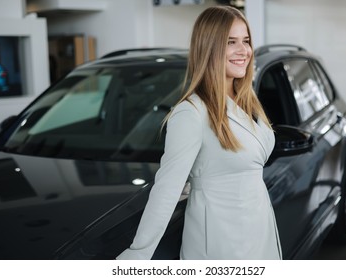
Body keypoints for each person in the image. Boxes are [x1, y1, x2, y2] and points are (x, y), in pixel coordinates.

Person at [116, 5, 282, 260]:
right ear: (209, 47)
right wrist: (137, 255)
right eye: (231, 42)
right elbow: (167, 189)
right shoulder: (190, 113)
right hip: (220, 245)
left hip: (258, 230)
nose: (244, 51)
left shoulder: (247, 101)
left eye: (246, 41)